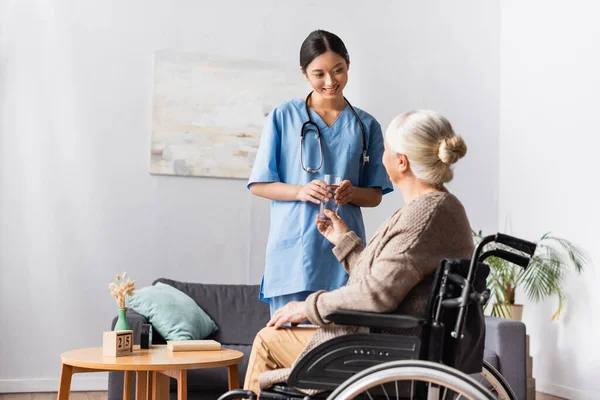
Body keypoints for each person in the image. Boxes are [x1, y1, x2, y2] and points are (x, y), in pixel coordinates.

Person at [243, 109, 473, 395]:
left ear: (401, 162)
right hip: (397, 342)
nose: (381, 157)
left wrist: (305, 307)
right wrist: (343, 239)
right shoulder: (439, 208)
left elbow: (374, 295)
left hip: (382, 350)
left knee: (267, 339)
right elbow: (385, 276)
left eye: (386, 150)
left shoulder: (422, 216)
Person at [247, 30, 393, 317]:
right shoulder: (283, 116)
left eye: (338, 70)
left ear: (348, 64)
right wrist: (300, 191)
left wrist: (353, 193)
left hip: (343, 251)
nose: (330, 81)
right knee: (288, 350)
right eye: (319, 74)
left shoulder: (366, 125)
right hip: (293, 251)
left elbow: (374, 195)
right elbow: (259, 184)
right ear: (304, 74)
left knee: (339, 348)